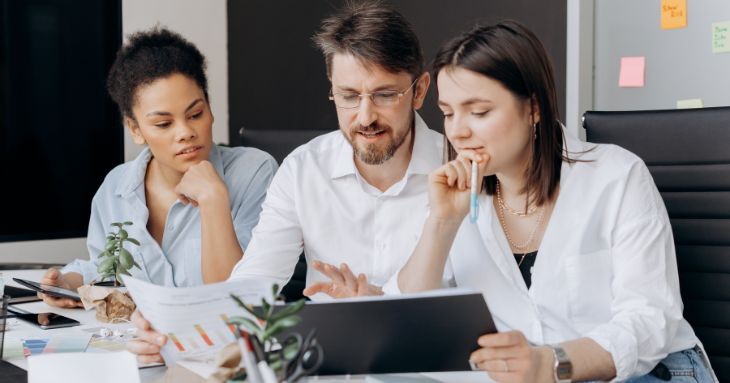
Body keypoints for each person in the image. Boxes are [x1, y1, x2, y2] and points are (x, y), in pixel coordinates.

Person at [394, 21, 717, 382]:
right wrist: (441, 223)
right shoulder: (459, 196)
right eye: (449, 113)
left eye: (479, 112)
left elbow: (650, 321)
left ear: (534, 108)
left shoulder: (616, 176)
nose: (457, 131)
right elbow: (415, 313)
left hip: (652, 371)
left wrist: (550, 363)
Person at [128, 1, 443, 364]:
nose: (365, 116)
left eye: (385, 95)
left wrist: (380, 309)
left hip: (437, 366)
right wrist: (170, 327)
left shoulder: (461, 171)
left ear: (419, 91)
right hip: (329, 365)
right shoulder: (303, 169)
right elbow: (251, 287)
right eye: (349, 96)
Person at [39, 27, 277, 308]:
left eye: (195, 114)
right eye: (164, 124)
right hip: (142, 345)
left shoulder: (254, 172)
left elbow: (234, 301)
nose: (186, 132)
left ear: (210, 109)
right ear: (135, 129)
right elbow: (106, 268)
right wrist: (70, 283)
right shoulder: (116, 187)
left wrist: (214, 199)